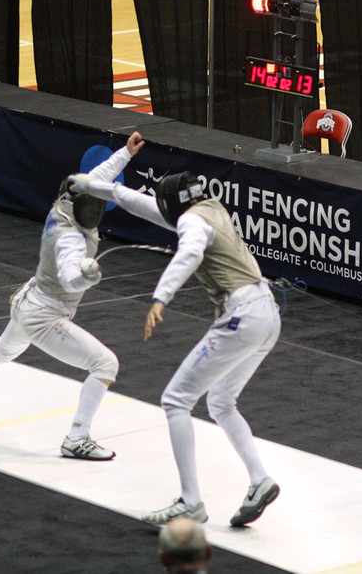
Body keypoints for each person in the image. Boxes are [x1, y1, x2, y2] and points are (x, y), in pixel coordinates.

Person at [67, 168, 281, 527]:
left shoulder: (193, 225)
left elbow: (189, 254)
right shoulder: (210, 207)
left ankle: (191, 502)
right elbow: (145, 205)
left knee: (176, 400)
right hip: (268, 315)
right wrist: (94, 186)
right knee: (221, 402)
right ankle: (260, 480)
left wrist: (160, 298)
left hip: (241, 316)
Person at [0, 132, 146, 461]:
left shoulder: (67, 200)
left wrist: (125, 153)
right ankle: (77, 438)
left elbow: (97, 178)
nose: (98, 206)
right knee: (105, 363)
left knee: (1, 351)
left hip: (28, 300)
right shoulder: (70, 238)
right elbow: (71, 280)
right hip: (45, 315)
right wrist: (89, 275)